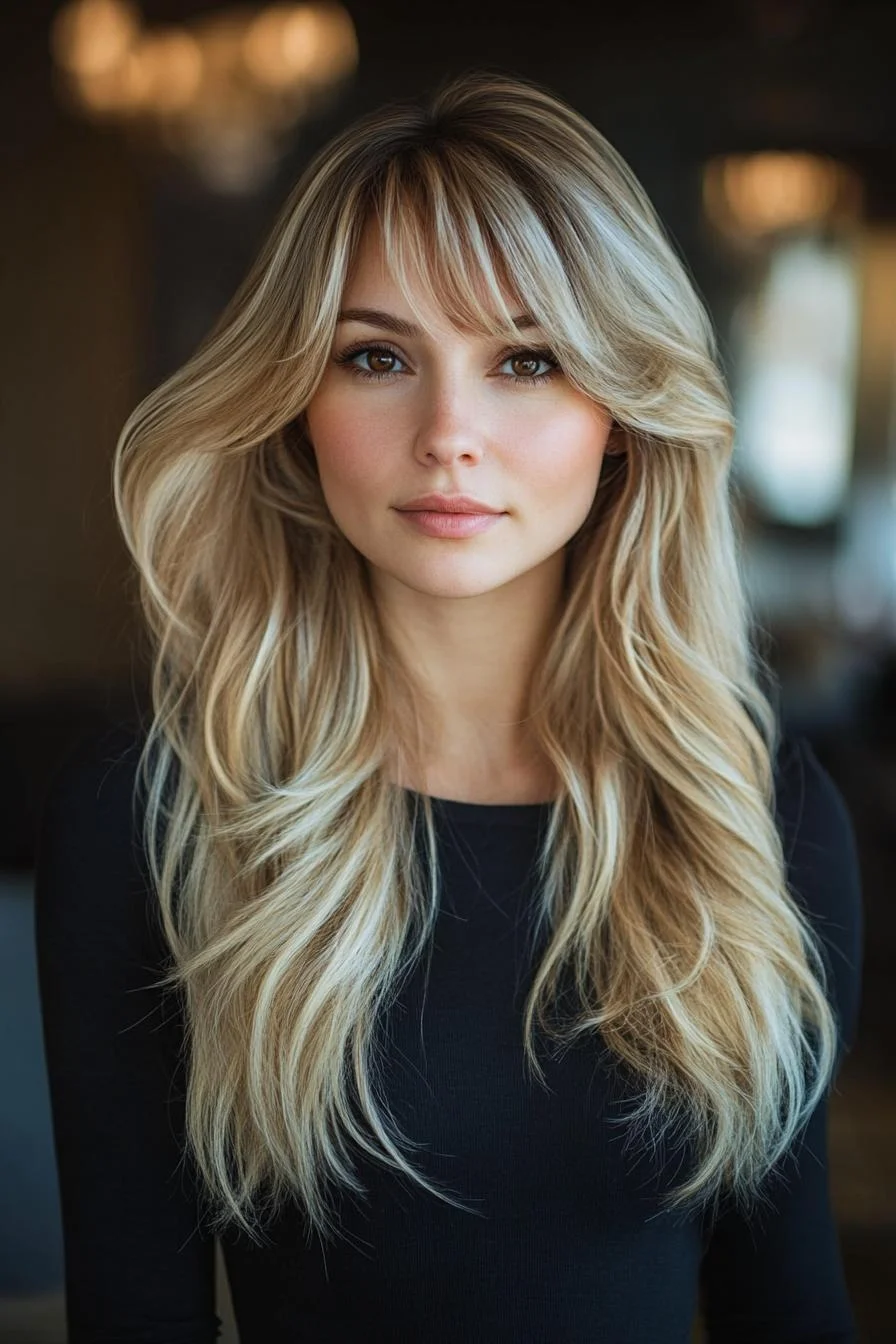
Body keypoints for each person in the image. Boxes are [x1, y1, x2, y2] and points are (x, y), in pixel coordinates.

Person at [35, 70, 864, 1343]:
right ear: (296, 409)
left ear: (622, 418)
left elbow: (787, 1308)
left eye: (525, 360)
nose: (447, 433)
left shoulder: (751, 822)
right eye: (377, 357)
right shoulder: (150, 828)